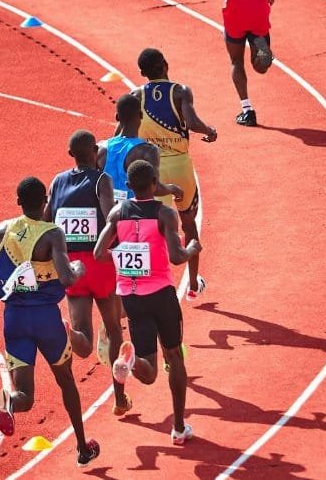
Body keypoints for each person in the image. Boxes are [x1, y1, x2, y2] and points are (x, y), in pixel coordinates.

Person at [0, 177, 101, 468]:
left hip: (14, 319)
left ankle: (10, 403)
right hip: (45, 319)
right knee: (66, 380)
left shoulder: (2, 230)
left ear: (18, 202)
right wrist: (77, 269)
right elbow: (67, 278)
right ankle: (82, 447)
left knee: (25, 397)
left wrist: (11, 287)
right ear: (46, 202)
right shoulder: (52, 233)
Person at [93, 160, 202, 445]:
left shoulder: (118, 213)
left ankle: (130, 362)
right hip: (161, 294)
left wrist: (121, 255)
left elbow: (98, 252)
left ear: (128, 186)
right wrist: (192, 247)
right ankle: (178, 429)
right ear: (155, 183)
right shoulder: (164, 214)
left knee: (150, 371)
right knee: (174, 357)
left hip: (131, 297)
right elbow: (177, 257)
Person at [47, 130, 131, 416]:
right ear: (95, 151)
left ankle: (68, 332)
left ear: (71, 154)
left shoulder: (58, 181)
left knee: (82, 341)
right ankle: (119, 398)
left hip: (71, 266)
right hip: (100, 262)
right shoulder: (101, 180)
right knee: (113, 327)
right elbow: (110, 218)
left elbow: (47, 220)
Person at [132, 48, 216, 300]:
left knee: (155, 228)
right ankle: (192, 284)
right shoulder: (180, 91)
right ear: (165, 64)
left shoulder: (136, 95)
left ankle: (156, 284)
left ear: (143, 73)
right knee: (188, 223)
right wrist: (209, 129)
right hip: (181, 166)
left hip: (153, 169)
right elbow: (191, 122)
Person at [100, 93, 183, 206]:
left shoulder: (101, 148)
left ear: (117, 117)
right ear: (140, 115)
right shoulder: (147, 151)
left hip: (105, 213)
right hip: (132, 214)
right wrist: (173, 189)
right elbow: (156, 188)